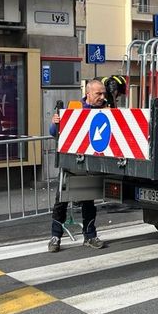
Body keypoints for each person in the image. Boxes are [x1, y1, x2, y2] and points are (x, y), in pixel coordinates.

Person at [47, 78, 108, 252]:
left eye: (103, 93)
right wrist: (55, 122)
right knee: (61, 200)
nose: (102, 96)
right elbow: (54, 132)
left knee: (88, 200)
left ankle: (90, 235)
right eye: (98, 93)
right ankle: (55, 237)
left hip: (91, 162)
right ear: (88, 94)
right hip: (71, 160)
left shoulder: (107, 110)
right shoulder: (74, 108)